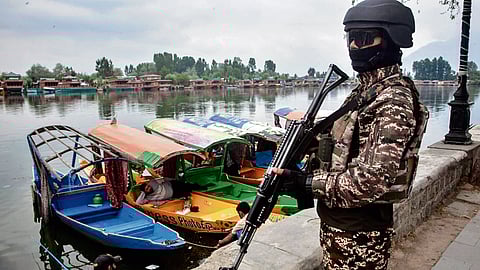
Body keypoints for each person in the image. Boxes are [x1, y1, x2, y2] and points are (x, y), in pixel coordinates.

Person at [273, 0, 428, 269]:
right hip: (341, 228)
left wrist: (307, 184)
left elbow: (370, 181)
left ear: (391, 40)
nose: (355, 47)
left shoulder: (392, 101)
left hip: (360, 235)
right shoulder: (367, 91)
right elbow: (346, 144)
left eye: (364, 38)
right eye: (351, 39)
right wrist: (311, 142)